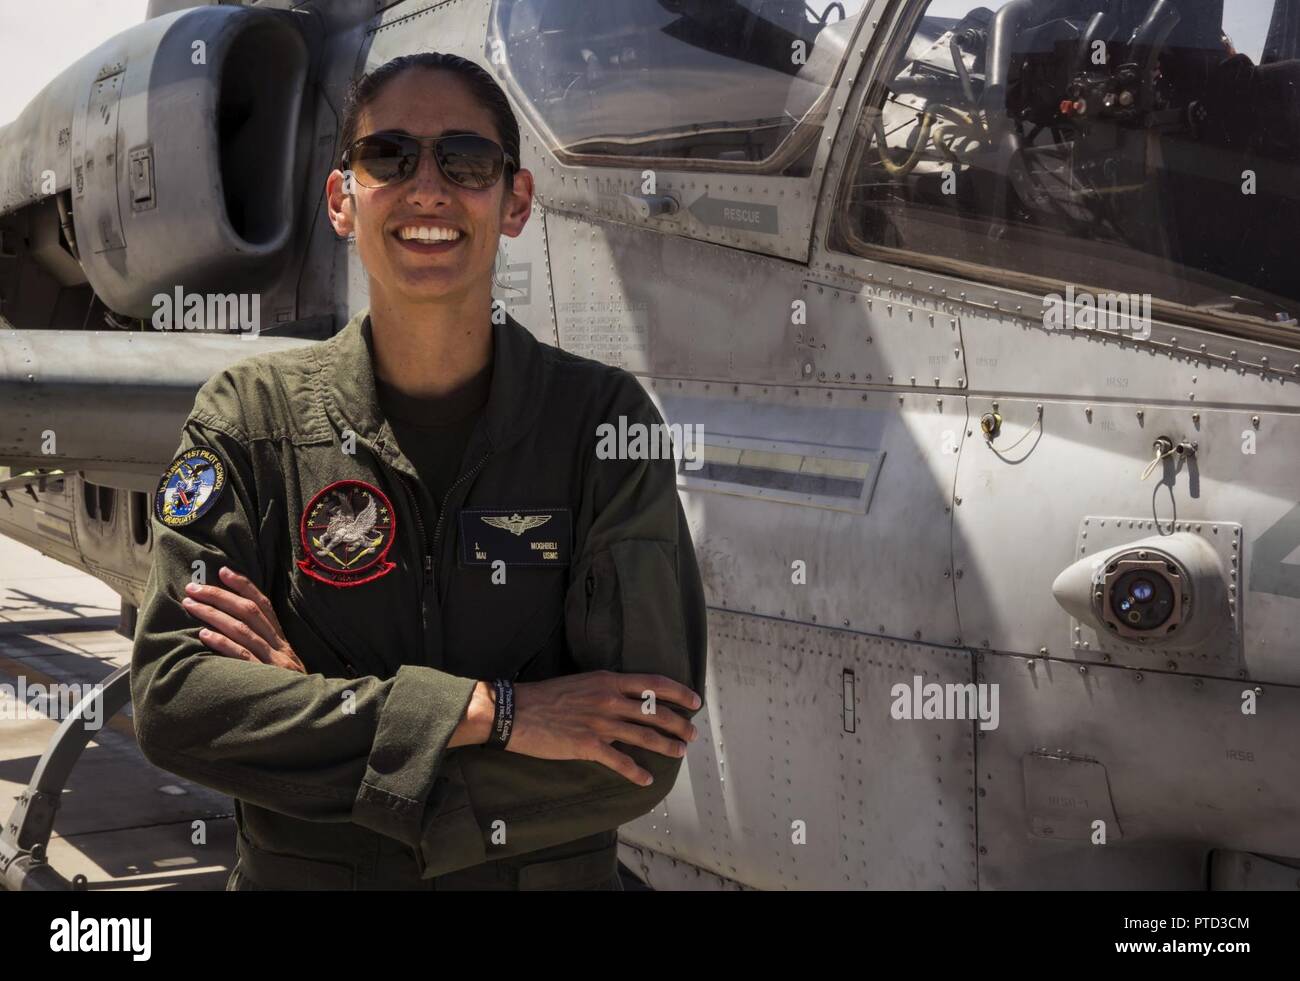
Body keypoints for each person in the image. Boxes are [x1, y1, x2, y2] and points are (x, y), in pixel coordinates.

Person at [130, 51, 707, 891]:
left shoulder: (603, 426)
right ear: (342, 200)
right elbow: (178, 702)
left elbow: (639, 742)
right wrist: (496, 712)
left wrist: (321, 716)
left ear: (515, 201)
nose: (428, 189)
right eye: (389, 156)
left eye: (465, 160)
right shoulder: (250, 418)